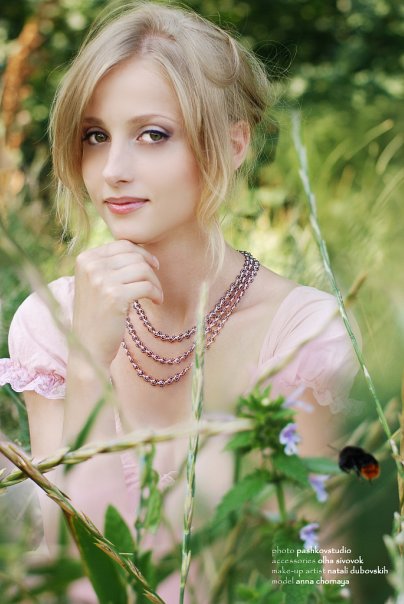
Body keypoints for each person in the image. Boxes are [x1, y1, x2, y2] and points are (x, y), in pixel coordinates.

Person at [0, 2, 360, 602]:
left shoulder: (302, 334)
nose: (113, 170)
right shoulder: (50, 322)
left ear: (234, 143)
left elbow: (319, 567)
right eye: (95, 136)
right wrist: (88, 365)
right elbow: (73, 567)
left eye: (153, 134)